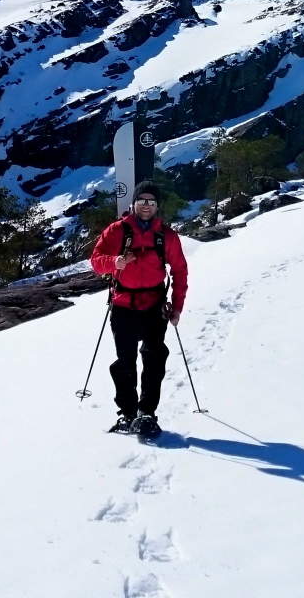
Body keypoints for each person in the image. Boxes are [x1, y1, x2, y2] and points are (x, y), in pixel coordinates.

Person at [89, 181, 189, 437]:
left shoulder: (166, 236)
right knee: (126, 361)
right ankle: (128, 412)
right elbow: (96, 262)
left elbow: (179, 271)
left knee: (154, 357)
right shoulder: (117, 231)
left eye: (151, 202)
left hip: (154, 305)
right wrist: (115, 262)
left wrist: (177, 307)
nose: (146, 206)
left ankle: (146, 412)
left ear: (157, 206)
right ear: (133, 203)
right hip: (123, 305)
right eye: (142, 200)